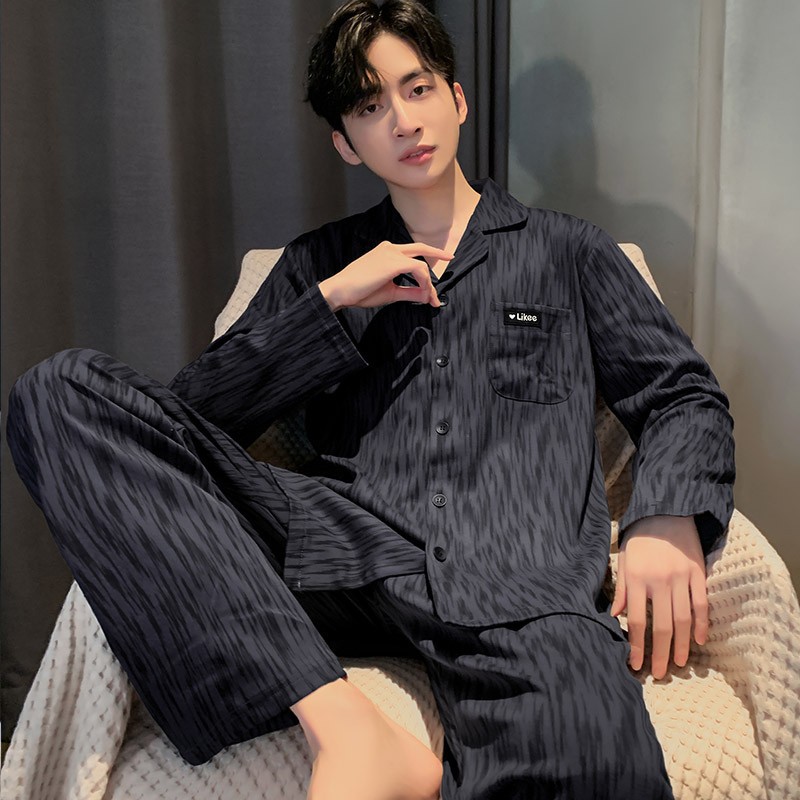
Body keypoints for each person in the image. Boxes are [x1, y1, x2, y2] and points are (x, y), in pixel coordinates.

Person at [5, 1, 735, 798]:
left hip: (518, 579)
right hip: (339, 555)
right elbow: (187, 424)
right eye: (369, 105)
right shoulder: (316, 265)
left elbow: (682, 394)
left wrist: (668, 515)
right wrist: (330, 305)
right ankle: (347, 730)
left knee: (596, 763)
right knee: (58, 392)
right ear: (346, 143)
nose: (402, 120)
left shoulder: (570, 252)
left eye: (417, 89)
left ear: (457, 99)